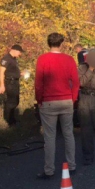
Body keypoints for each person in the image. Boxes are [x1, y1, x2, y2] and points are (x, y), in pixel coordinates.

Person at [35, 33, 80, 179]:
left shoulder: (42, 59)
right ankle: (72, 166)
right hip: (66, 100)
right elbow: (76, 81)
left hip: (48, 101)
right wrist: (73, 98)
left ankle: (49, 170)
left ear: (48, 44)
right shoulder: (69, 59)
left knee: (50, 137)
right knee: (68, 133)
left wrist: (39, 100)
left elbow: (38, 83)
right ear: (61, 44)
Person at [0, 44, 24, 126]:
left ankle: (12, 119)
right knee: (11, 102)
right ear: (15, 50)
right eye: (19, 52)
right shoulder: (6, 58)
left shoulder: (14, 59)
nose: (20, 54)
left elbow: (12, 71)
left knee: (16, 101)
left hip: (15, 82)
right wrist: (2, 85)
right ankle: (8, 120)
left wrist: (20, 74)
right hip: (10, 83)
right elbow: (1, 72)